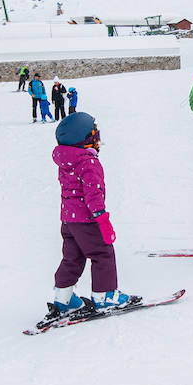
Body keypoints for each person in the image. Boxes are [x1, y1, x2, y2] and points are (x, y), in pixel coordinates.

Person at [37, 112, 141, 327]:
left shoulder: (66, 161)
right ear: (84, 139)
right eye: (94, 136)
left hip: (69, 220)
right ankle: (105, 296)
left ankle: (63, 299)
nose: (97, 140)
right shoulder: (88, 162)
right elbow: (93, 194)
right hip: (87, 219)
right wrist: (102, 219)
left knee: (72, 257)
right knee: (102, 253)